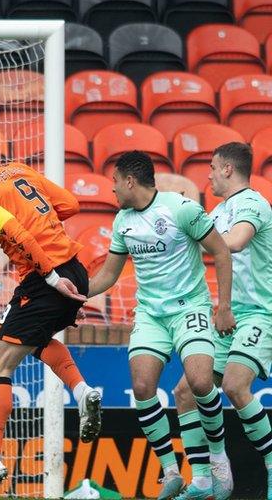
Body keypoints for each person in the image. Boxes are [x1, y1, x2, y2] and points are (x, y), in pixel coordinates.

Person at [0, 127, 102, 500]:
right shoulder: (14, 169)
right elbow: (70, 205)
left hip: (47, 277)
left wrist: (49, 275)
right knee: (35, 341)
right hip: (72, 264)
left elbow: (14, 230)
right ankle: (82, 391)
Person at [87, 151, 233, 500]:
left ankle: (216, 458)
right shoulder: (123, 221)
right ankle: (170, 470)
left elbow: (222, 251)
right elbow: (108, 274)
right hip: (151, 314)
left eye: (114, 183)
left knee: (199, 382)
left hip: (190, 307)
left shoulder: (181, 209)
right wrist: (75, 295)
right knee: (141, 387)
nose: (112, 191)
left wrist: (223, 307)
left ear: (130, 181)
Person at [169, 142, 272, 500]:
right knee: (184, 391)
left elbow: (237, 242)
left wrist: (207, 242)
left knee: (233, 385)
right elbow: (197, 246)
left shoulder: (252, 204)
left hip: (259, 312)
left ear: (228, 169)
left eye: (213, 168)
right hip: (226, 315)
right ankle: (202, 480)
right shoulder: (219, 210)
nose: (208, 175)